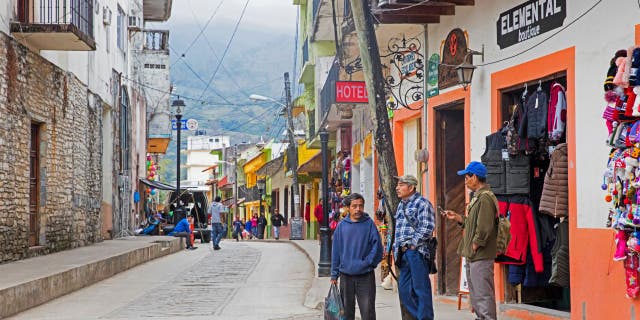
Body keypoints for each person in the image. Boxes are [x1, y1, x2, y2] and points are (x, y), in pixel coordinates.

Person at [444, 161, 498, 320]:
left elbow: (484, 227)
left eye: (467, 177)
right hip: (474, 254)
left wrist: (475, 244)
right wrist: (458, 218)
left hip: (480, 254)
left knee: (483, 295)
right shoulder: (478, 197)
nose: (465, 180)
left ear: (475, 177)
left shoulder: (485, 198)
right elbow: (473, 224)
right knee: (476, 295)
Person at [330, 193, 383, 320]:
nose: (358, 209)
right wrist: (334, 274)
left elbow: (377, 248)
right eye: (354, 206)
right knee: (347, 312)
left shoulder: (369, 224)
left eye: (361, 206)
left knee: (368, 311)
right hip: (346, 276)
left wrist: (368, 263)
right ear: (348, 207)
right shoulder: (341, 227)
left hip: (365, 276)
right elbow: (336, 251)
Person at [394, 174, 435, 320]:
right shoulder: (401, 205)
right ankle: (420, 316)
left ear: (411, 187)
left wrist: (412, 245)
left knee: (421, 289)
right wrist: (394, 250)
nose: (397, 188)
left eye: (401, 185)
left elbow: (427, 227)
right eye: (398, 185)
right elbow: (398, 230)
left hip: (416, 252)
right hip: (403, 253)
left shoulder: (422, 203)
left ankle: (425, 318)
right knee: (404, 291)